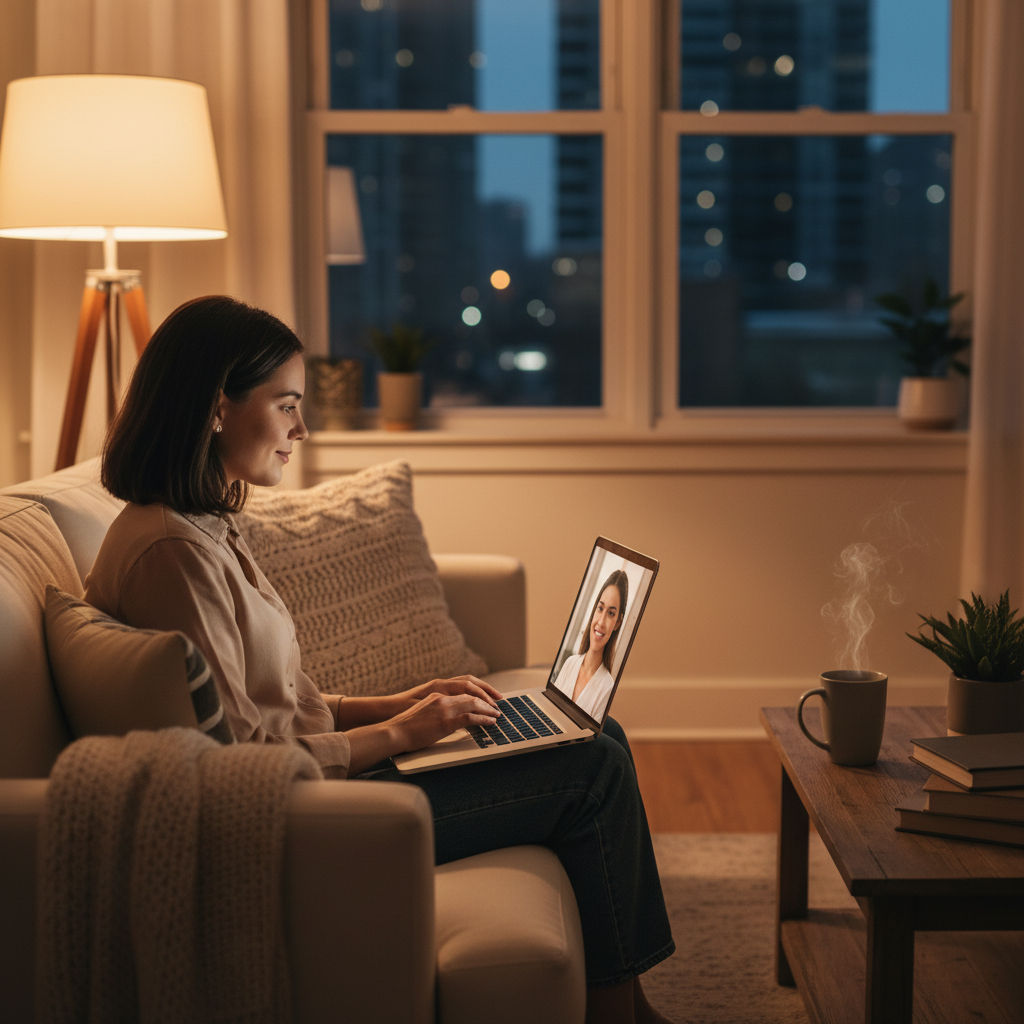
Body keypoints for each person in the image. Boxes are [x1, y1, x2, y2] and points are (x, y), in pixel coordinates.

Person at [84, 296, 675, 1024]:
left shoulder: (205, 528)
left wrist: (405, 702)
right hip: (307, 814)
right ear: (216, 410)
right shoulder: (170, 554)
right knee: (593, 771)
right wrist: (402, 736)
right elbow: (246, 762)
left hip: (325, 778)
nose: (301, 429)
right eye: (287, 405)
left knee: (595, 735)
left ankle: (631, 1002)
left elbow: (286, 703)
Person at [553, 570, 628, 720]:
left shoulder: (606, 686)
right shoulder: (570, 664)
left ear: (617, 623)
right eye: (600, 609)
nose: (601, 622)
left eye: (611, 613)